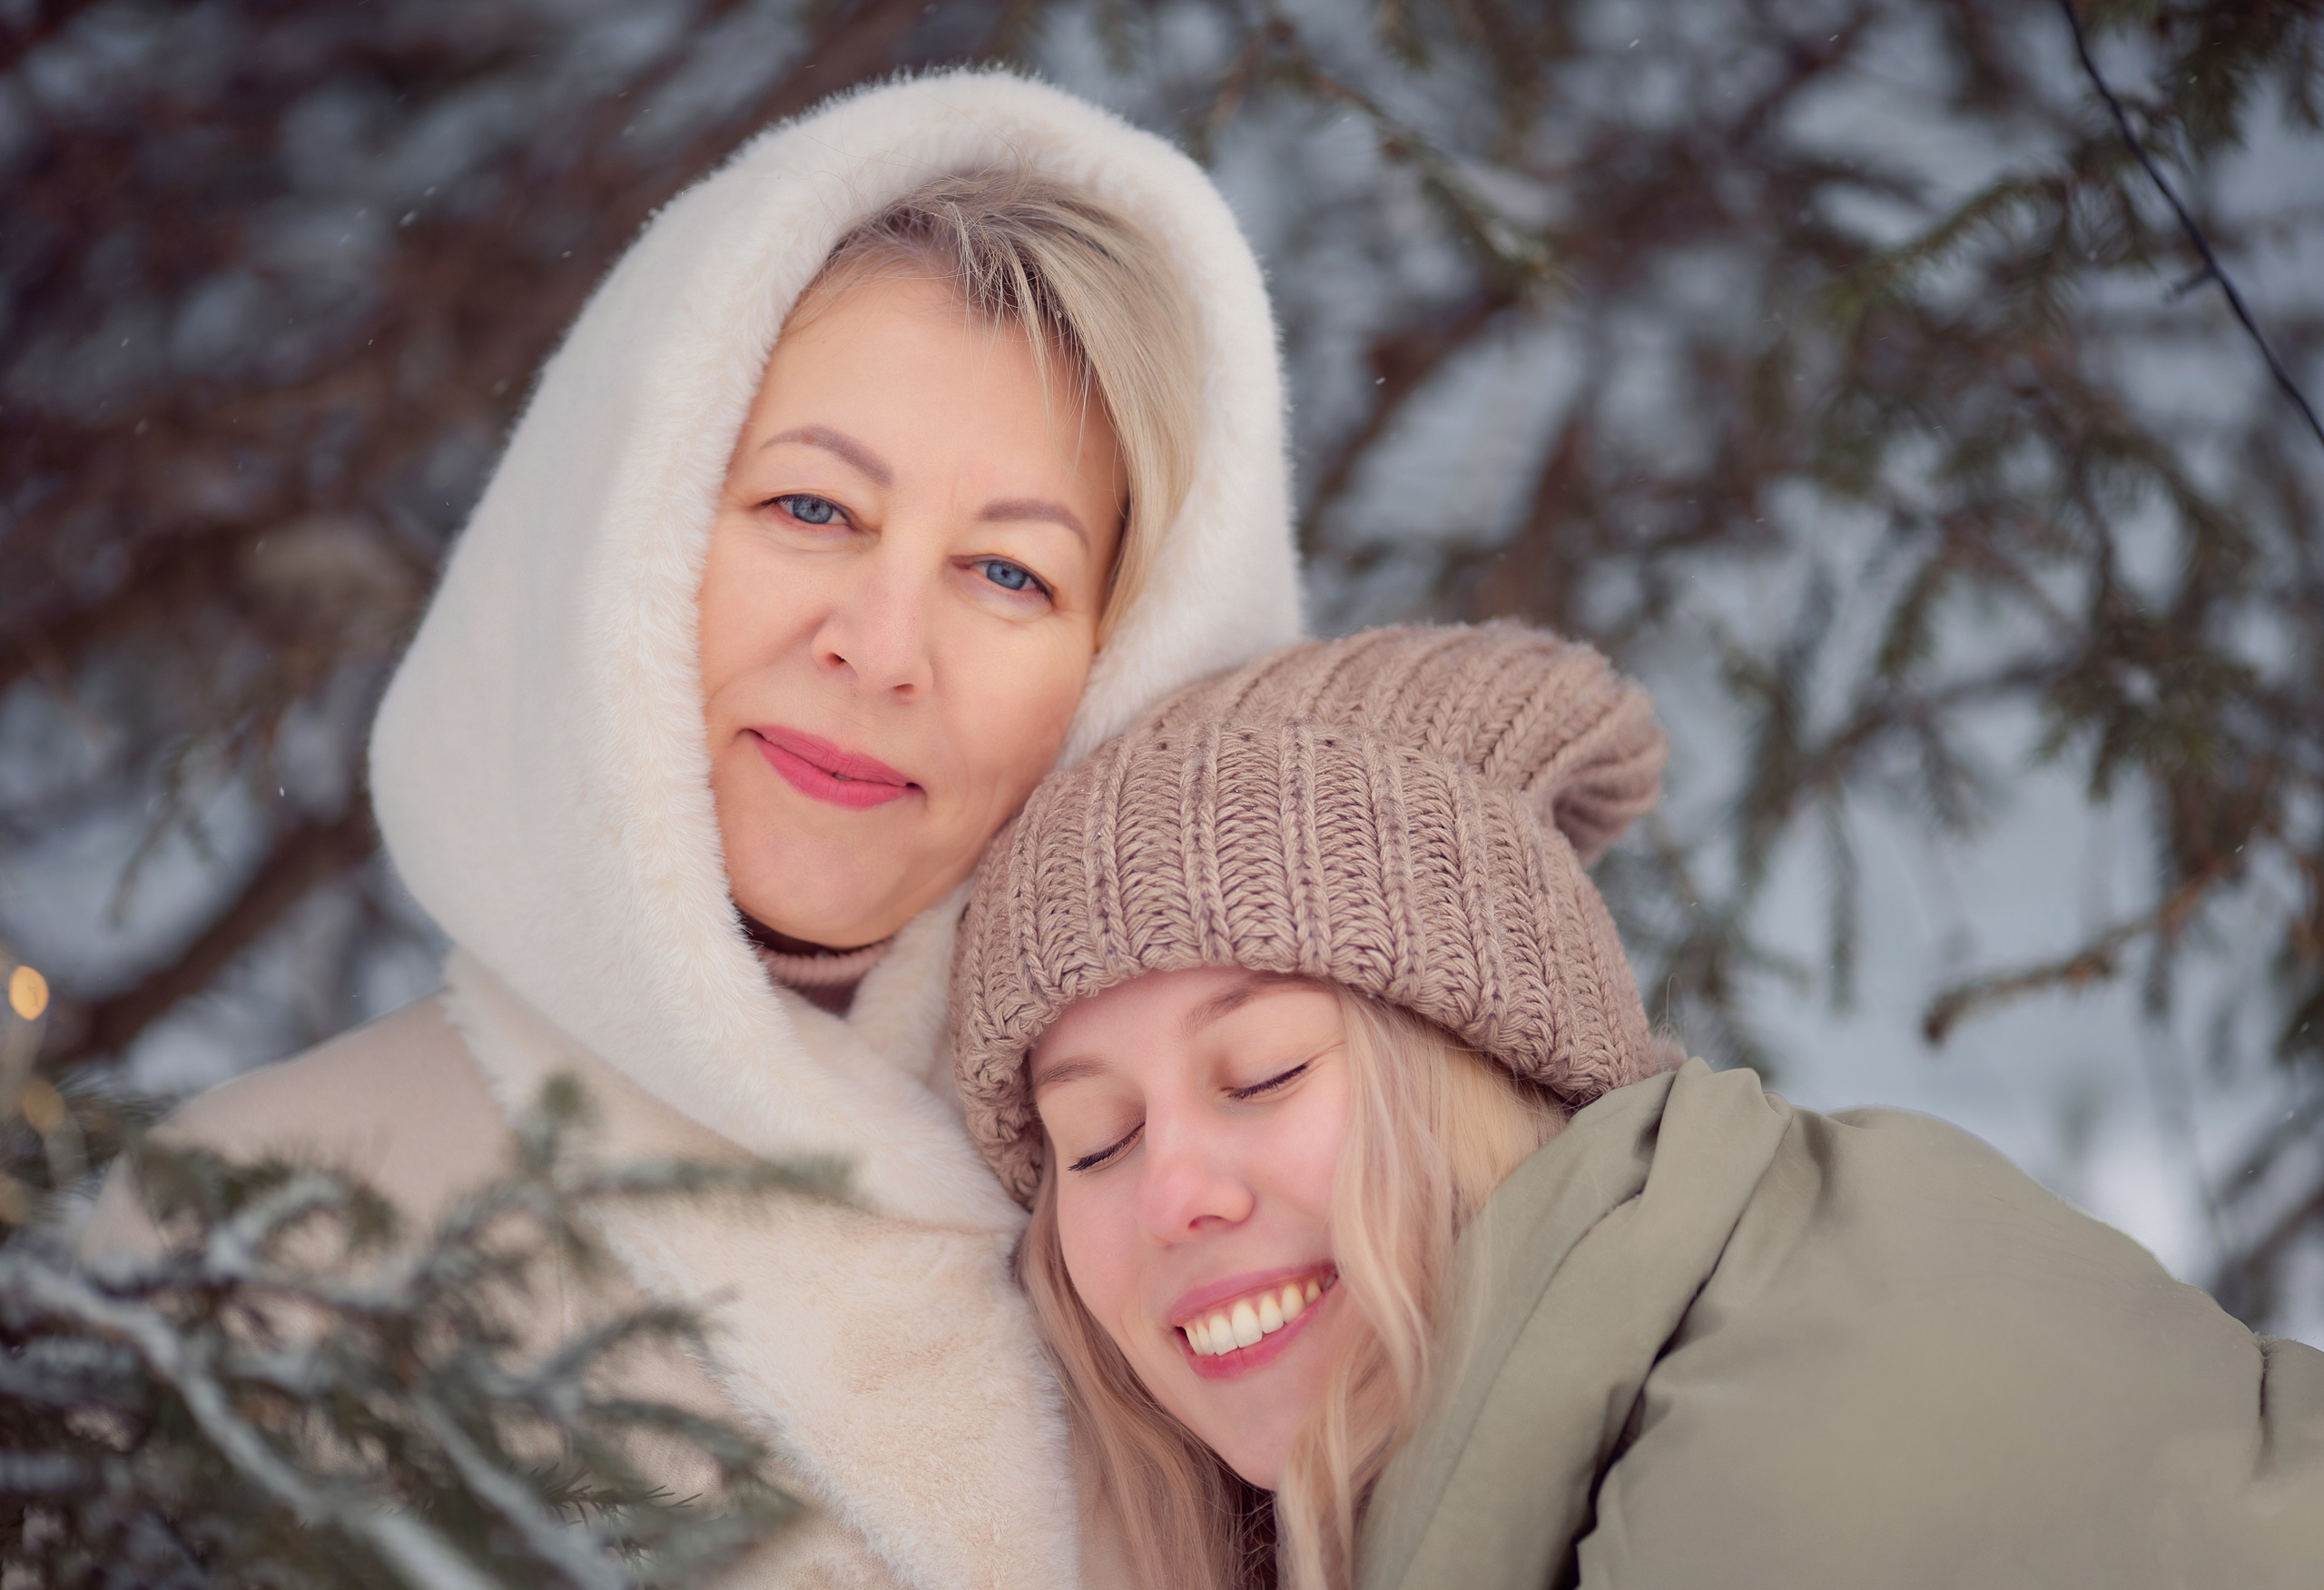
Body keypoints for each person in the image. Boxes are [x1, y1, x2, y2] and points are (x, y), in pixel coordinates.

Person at [84, 70, 1302, 1589]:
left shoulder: (1251, 1258)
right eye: (811, 509)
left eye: (1007, 575)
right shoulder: (258, 1224)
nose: (882, 643)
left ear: (1128, 664)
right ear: (634, 523)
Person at [950, 622, 2324, 1590]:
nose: (1179, 1191)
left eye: (1262, 1074)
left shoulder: (1790, 1463)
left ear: (1495, 1059)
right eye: (1098, 1142)